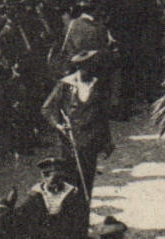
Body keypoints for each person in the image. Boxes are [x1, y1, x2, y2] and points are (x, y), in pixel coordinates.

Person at [40, 49, 112, 195]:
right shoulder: (65, 85)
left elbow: (102, 116)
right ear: (79, 68)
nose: (89, 70)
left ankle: (83, 215)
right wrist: (59, 125)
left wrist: (107, 142)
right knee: (70, 183)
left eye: (91, 66)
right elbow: (47, 108)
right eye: (86, 67)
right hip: (69, 142)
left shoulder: (97, 85)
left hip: (90, 143)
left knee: (87, 183)